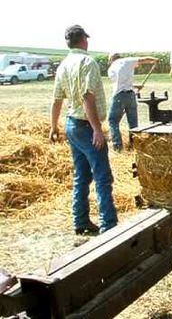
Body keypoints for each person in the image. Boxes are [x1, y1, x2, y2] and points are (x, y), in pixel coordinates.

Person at [49, 25, 118, 235]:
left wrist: (53, 126)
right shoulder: (88, 62)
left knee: (81, 175)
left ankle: (80, 221)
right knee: (102, 176)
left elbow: (56, 99)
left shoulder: (63, 65)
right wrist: (97, 130)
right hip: (86, 127)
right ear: (84, 40)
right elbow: (88, 97)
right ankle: (109, 226)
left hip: (71, 125)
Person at [107, 53, 159, 151]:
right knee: (133, 123)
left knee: (113, 121)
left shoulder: (110, 69)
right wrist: (154, 60)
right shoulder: (127, 61)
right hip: (131, 95)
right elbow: (144, 59)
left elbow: (119, 84)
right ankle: (134, 146)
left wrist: (134, 86)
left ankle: (118, 147)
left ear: (111, 60)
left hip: (119, 95)